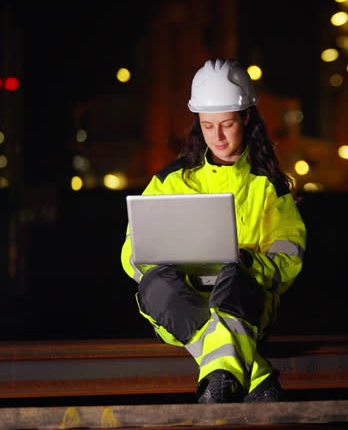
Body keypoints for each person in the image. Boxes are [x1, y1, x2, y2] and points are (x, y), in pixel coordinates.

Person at [120, 59, 306, 404]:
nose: (217, 136)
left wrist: (248, 261)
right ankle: (255, 374)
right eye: (207, 126)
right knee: (155, 283)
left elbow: (289, 257)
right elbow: (133, 254)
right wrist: (164, 263)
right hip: (180, 304)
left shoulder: (269, 188)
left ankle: (226, 382)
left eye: (227, 124)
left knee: (234, 276)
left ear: (247, 118)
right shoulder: (169, 181)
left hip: (246, 303)